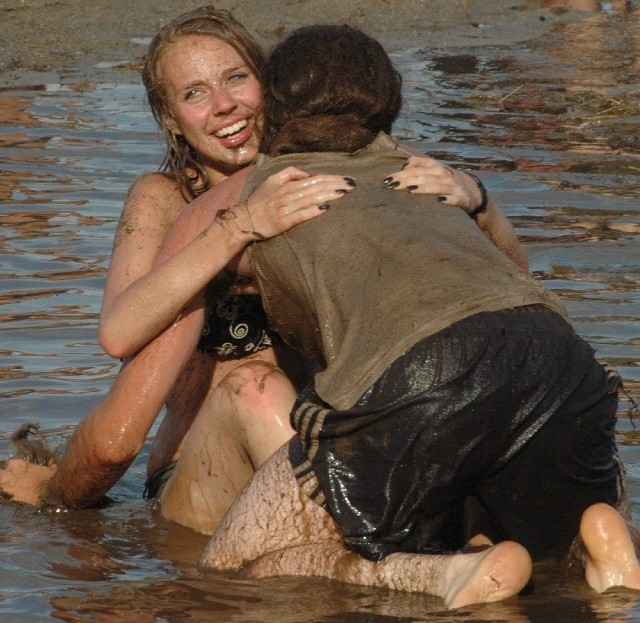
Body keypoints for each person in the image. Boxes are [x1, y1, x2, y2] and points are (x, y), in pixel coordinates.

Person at [139, 23, 640, 608]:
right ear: (390, 105)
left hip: (424, 376)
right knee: (547, 541)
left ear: (271, 111)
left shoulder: (275, 193)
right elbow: (516, 280)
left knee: (233, 574)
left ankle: (439, 577)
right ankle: (610, 546)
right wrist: (479, 197)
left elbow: (312, 350)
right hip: (561, 360)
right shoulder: (429, 175)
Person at [0, 7, 507, 536]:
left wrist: (478, 198)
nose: (223, 106)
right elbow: (120, 336)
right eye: (194, 94)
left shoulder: (336, 169)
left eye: (236, 79)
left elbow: (499, 281)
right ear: (171, 118)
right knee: (255, 387)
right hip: (207, 470)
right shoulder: (164, 200)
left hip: (339, 447)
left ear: (272, 88)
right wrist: (236, 227)